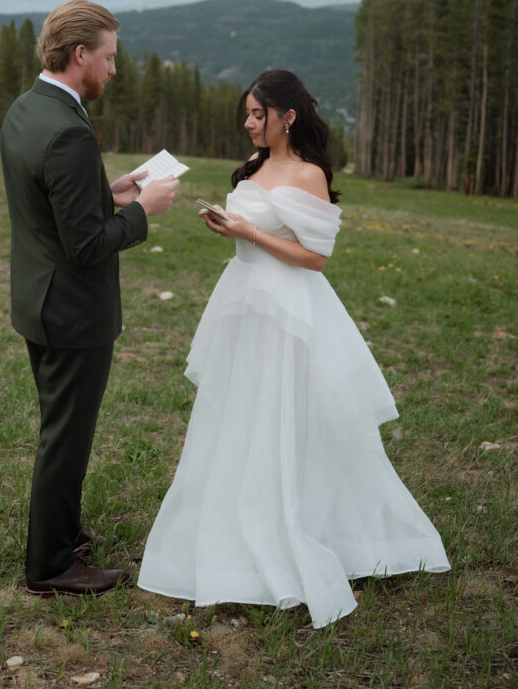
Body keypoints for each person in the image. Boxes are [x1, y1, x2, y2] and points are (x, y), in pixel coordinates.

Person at [138, 69, 449, 629]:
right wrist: (228, 229)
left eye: (259, 114)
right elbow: (253, 230)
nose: (249, 123)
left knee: (289, 420)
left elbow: (315, 258)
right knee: (239, 418)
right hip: (243, 303)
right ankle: (233, 527)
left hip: (288, 310)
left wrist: (248, 232)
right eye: (248, 114)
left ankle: (307, 525)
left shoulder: (308, 175)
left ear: (289, 115)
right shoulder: (254, 167)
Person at [0, 0, 179, 596]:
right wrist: (144, 211)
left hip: (36, 299)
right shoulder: (69, 130)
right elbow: (84, 246)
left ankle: (63, 531)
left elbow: (53, 201)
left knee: (62, 428)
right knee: (66, 437)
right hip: (73, 310)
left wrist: (110, 190)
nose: (113, 69)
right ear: (81, 55)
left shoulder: (27, 109)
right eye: (109, 58)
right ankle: (49, 566)